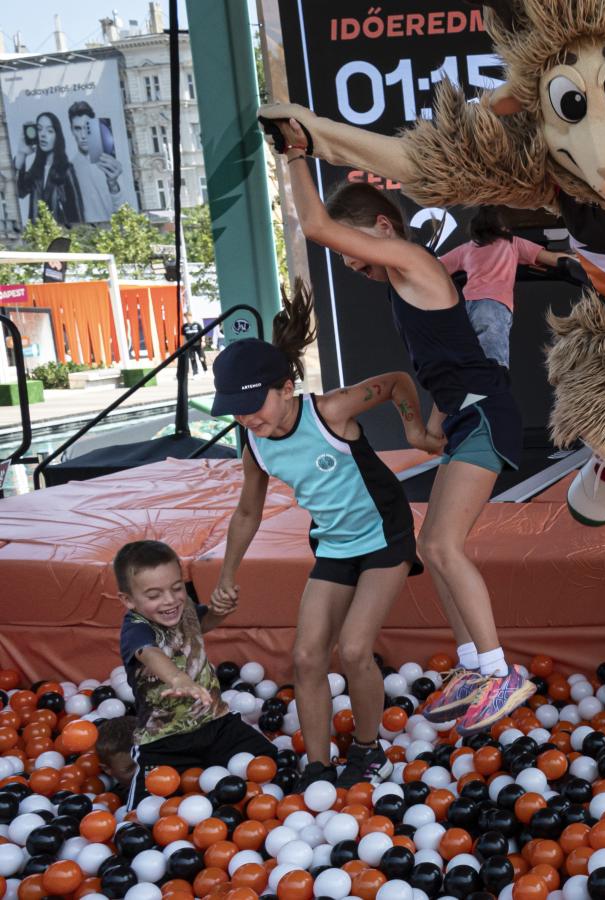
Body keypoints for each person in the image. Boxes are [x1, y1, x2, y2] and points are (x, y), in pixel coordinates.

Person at [271, 118, 535, 735]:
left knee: (443, 545)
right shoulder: (403, 285)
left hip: (488, 413)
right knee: (431, 547)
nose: (351, 265)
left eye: (353, 251)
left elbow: (315, 226)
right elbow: (446, 367)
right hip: (467, 413)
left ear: (383, 231)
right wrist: (426, 429)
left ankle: (499, 672)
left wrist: (294, 154)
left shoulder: (413, 260)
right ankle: (473, 663)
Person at [210, 285, 440, 787]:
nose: (248, 417)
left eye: (255, 405)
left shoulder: (330, 411)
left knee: (356, 649)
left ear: (286, 386)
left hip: (385, 536)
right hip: (335, 544)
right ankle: (317, 767)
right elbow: (248, 513)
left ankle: (367, 750)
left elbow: (399, 381)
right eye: (236, 408)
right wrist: (226, 575)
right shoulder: (254, 443)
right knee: (307, 655)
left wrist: (415, 432)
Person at [114, 540, 276, 809]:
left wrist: (219, 611)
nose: (170, 600)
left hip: (216, 723)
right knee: (146, 813)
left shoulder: (183, 606)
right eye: (154, 595)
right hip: (165, 740)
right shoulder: (136, 629)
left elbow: (201, 623)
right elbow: (149, 653)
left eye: (176, 588)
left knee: (272, 764)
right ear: (128, 600)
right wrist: (178, 679)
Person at [436, 205, 571, 369]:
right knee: (495, 366)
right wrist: (580, 260)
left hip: (465, 308)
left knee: (468, 366)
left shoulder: (468, 248)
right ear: (501, 226)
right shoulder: (512, 243)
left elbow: (435, 267)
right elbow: (553, 258)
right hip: (492, 306)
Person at [15, 112, 83, 225]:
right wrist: (21, 154)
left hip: (59, 237)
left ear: (58, 136)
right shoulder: (36, 171)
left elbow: (76, 214)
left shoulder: (66, 170)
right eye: (39, 129)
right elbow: (19, 192)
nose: (43, 134)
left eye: (49, 130)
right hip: (36, 238)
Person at [67, 101, 125, 222]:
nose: (83, 135)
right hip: (83, 234)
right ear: (71, 130)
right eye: (77, 128)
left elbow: (125, 209)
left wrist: (113, 184)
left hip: (113, 232)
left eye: (86, 127)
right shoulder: (70, 168)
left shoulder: (110, 162)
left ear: (93, 127)